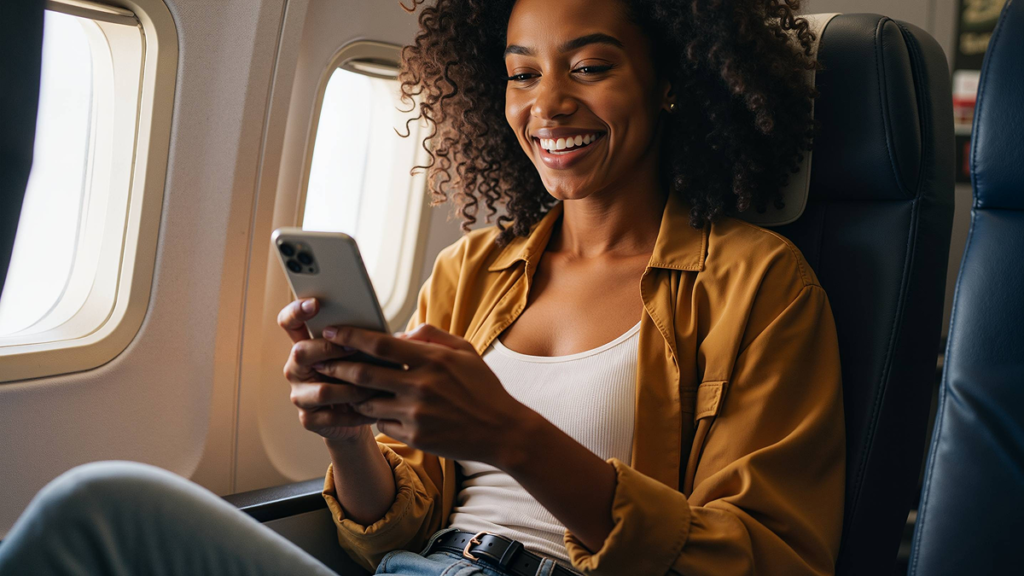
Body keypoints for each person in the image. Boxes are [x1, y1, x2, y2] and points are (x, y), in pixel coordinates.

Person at [0, 0, 844, 575]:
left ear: (670, 84)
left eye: (590, 67)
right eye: (522, 74)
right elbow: (389, 534)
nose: (548, 104)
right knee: (96, 507)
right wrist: (347, 436)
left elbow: (765, 558)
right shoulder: (472, 270)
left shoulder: (758, 283)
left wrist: (511, 434)